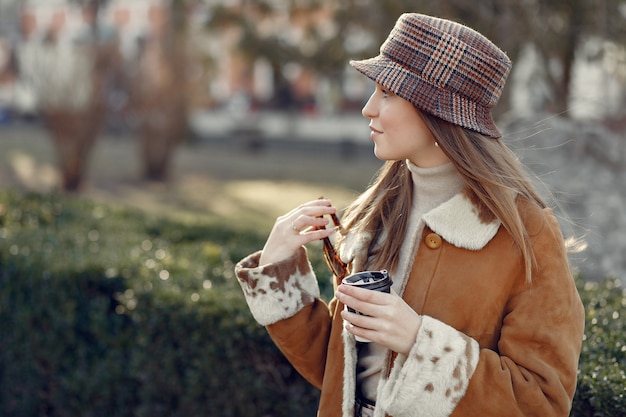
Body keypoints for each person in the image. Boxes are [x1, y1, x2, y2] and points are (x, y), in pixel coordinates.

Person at [235, 12, 585, 417]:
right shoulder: (380, 211)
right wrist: (279, 271)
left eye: (387, 93)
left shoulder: (525, 234)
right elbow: (341, 372)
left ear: (437, 111)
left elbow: (542, 403)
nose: (368, 108)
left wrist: (420, 343)